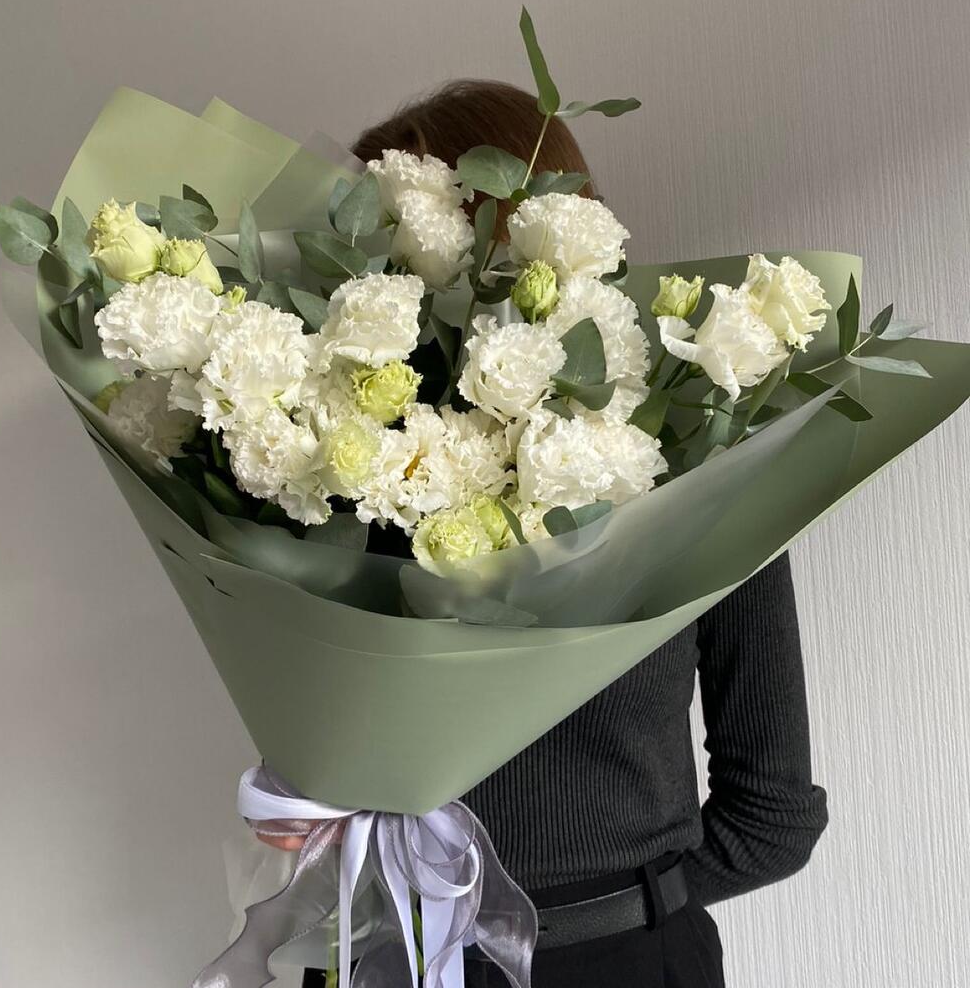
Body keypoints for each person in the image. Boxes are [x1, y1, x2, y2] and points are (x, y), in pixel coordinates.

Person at [258, 79, 829, 988]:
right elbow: (312, 778)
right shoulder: (329, 469)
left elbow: (774, 821)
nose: (361, 268)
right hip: (419, 957)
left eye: (390, 231)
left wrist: (583, 916)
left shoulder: (700, 461)